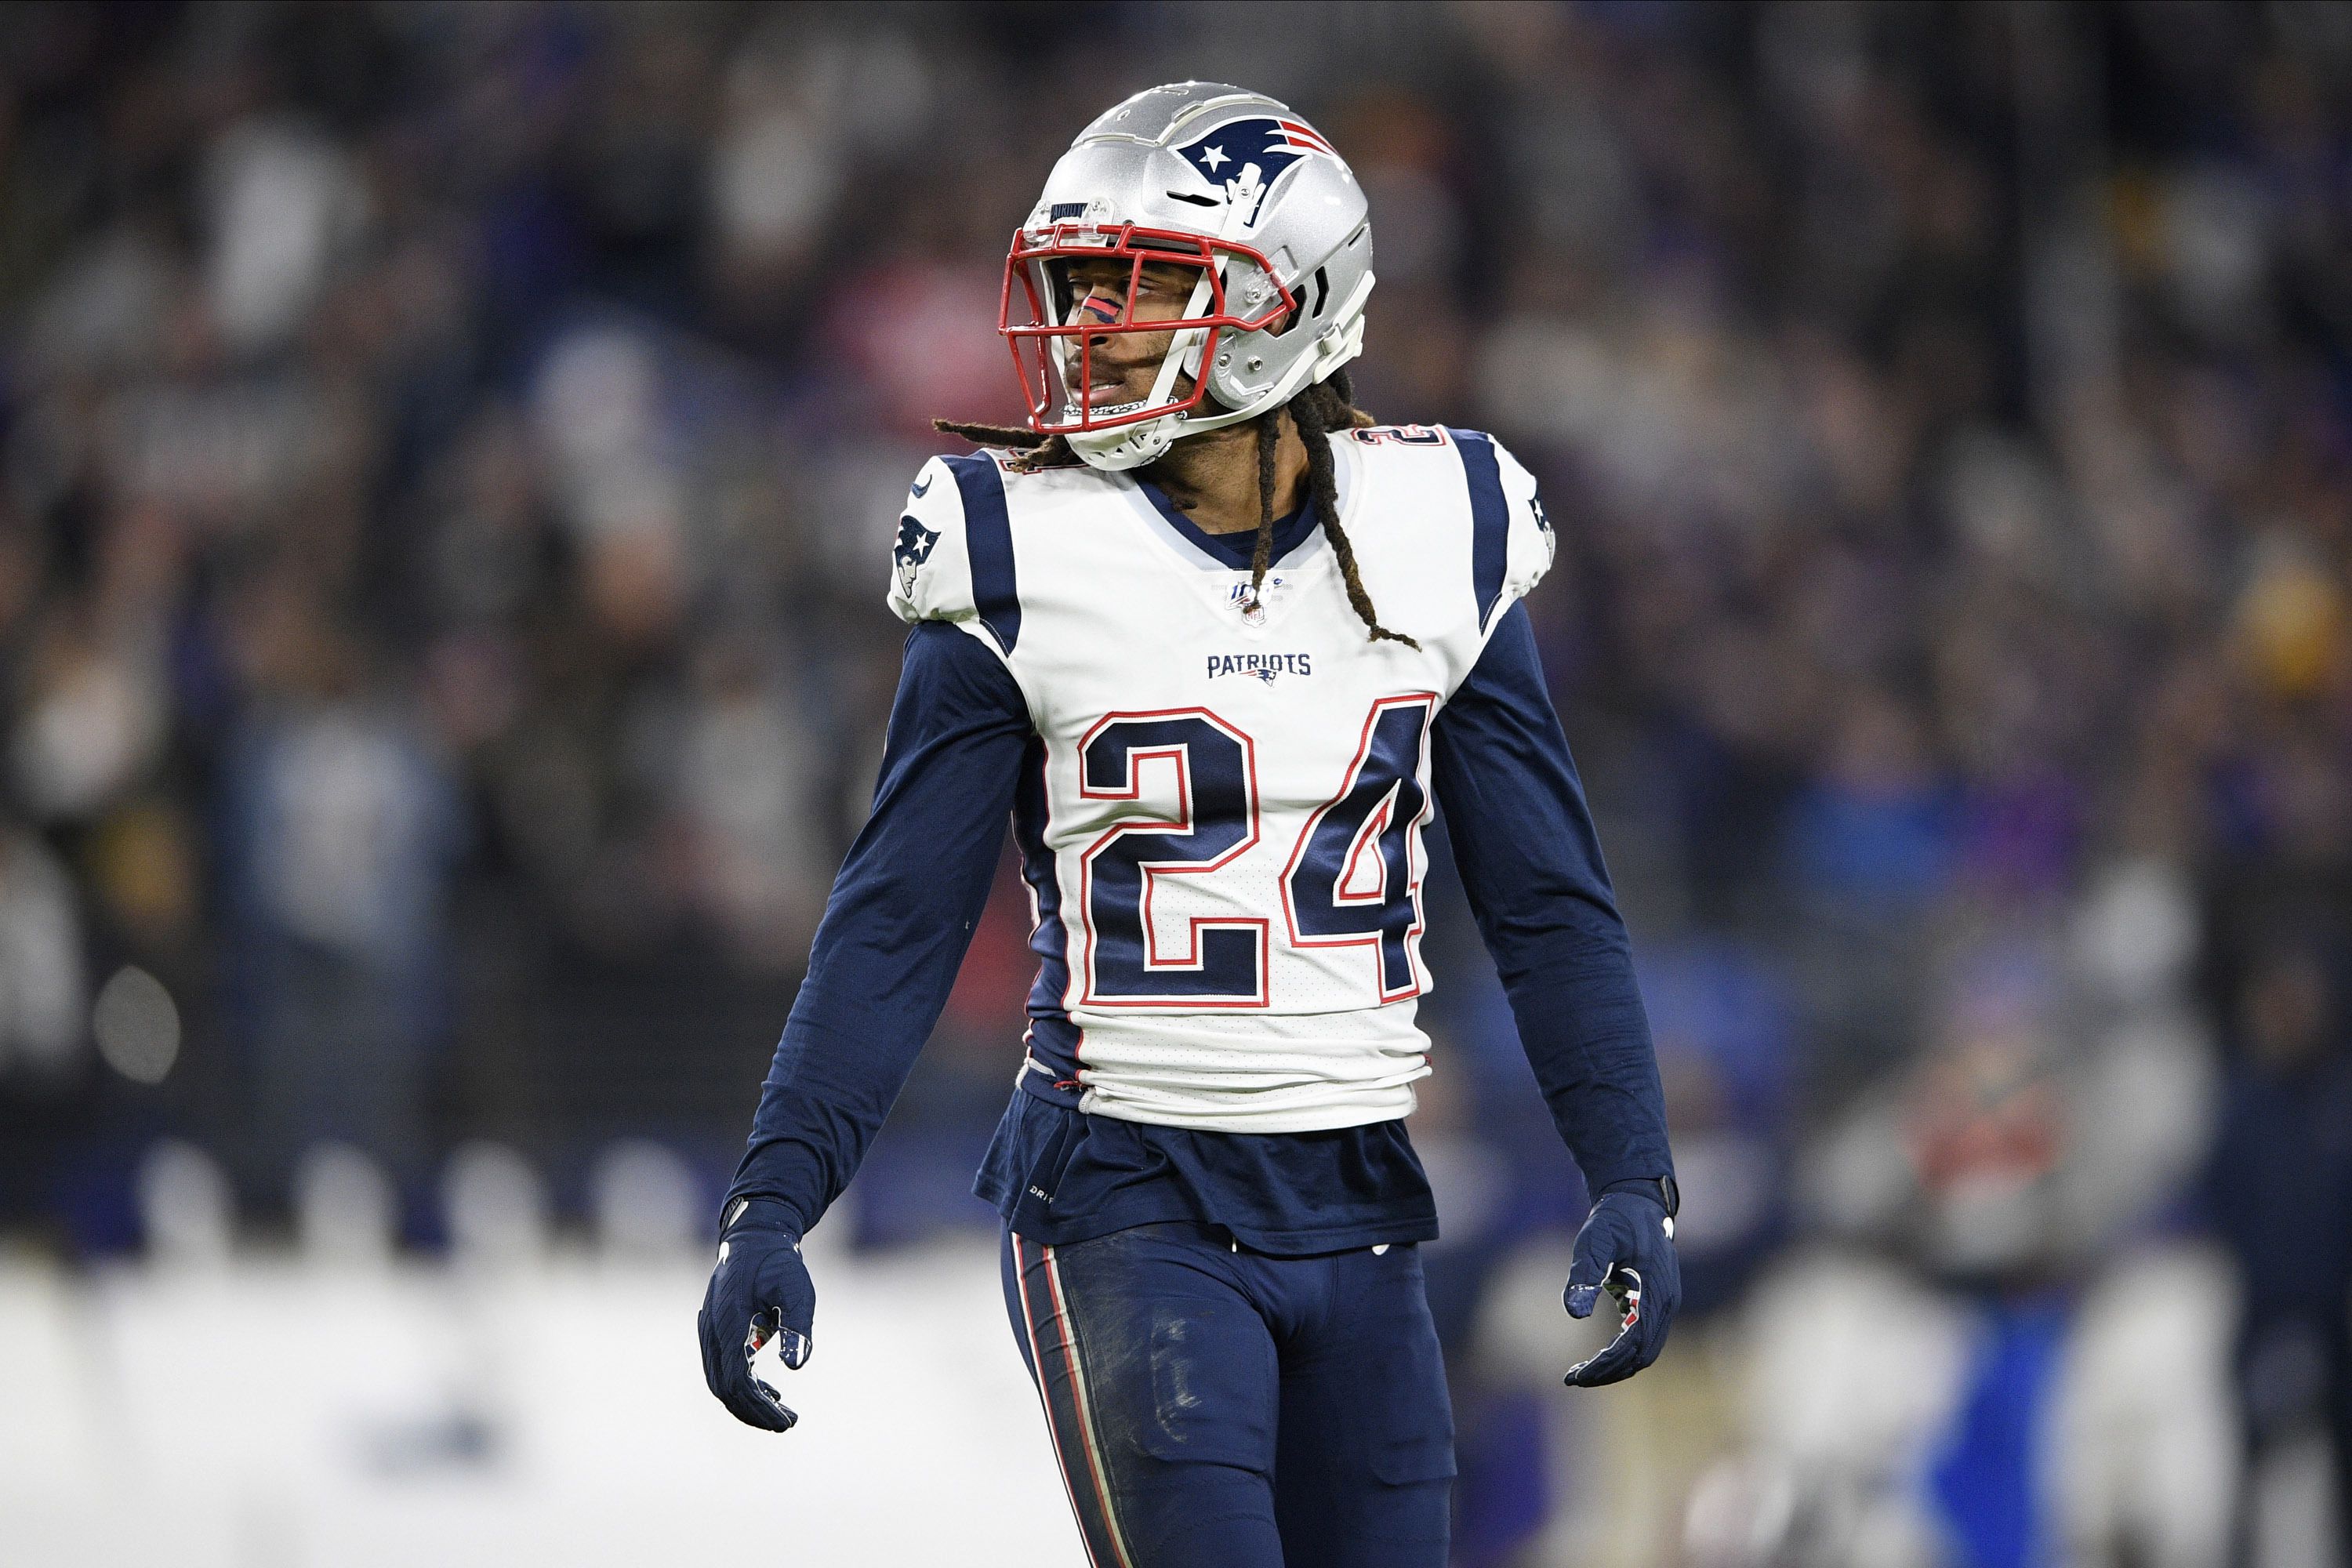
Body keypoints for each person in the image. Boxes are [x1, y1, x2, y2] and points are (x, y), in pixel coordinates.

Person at [698, 82, 1679, 1568]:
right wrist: (780, 1193)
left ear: (1285, 305)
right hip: (1124, 1193)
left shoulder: (1439, 524)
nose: (1088, 331)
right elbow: (898, 911)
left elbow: (1548, 898)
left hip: (1360, 1193)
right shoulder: (1018, 539)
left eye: (1141, 292)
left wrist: (1630, 1171)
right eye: (1080, 290)